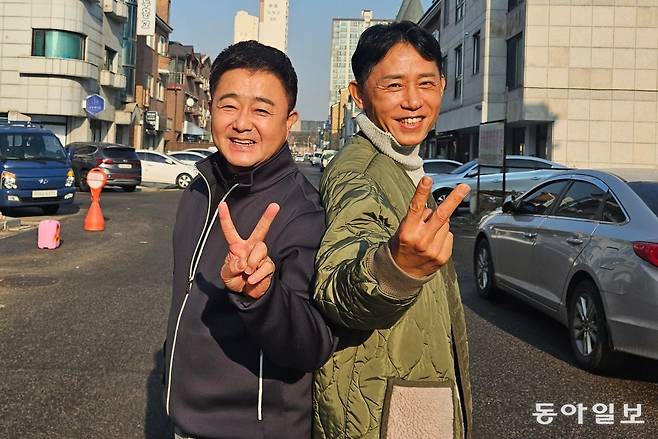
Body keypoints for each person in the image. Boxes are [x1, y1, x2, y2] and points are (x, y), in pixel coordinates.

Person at [164, 41, 335, 439]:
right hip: (183, 422)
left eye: (261, 109)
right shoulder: (199, 189)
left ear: (289, 121)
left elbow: (314, 344)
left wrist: (261, 296)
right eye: (229, 105)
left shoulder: (301, 210)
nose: (242, 123)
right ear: (210, 108)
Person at [313, 22, 473, 439]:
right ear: (358, 95)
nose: (413, 101)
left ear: (442, 85)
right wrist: (395, 269)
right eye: (393, 86)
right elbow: (335, 287)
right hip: (385, 412)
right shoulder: (361, 173)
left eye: (425, 83)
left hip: (402, 396)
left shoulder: (402, 164)